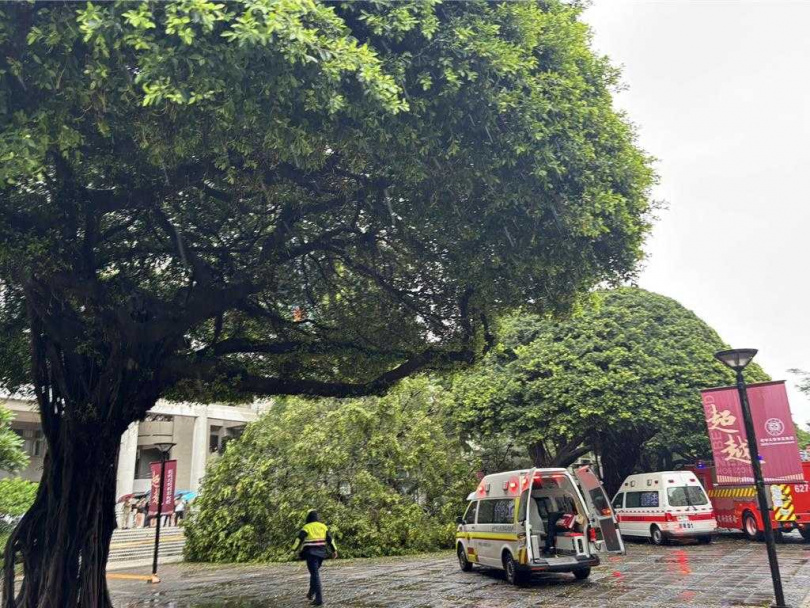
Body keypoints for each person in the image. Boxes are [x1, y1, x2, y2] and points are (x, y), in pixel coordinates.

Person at [292, 510, 338, 606]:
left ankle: (319, 599)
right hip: (321, 554)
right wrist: (334, 550)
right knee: (314, 574)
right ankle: (310, 593)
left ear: (308, 518)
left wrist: (293, 549)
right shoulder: (323, 526)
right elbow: (330, 539)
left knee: (315, 575)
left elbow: (299, 539)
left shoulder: (307, 527)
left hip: (311, 554)